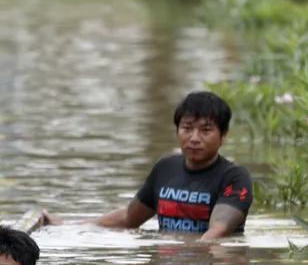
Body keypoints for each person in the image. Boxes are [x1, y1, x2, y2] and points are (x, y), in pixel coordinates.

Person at [94, 91, 254, 241]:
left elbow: (217, 233)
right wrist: (79, 228)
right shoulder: (165, 168)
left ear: (223, 136)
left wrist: (185, 257)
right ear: (177, 130)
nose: (194, 138)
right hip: (166, 262)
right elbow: (128, 219)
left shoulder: (234, 177)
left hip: (209, 263)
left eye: (205, 130)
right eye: (187, 128)